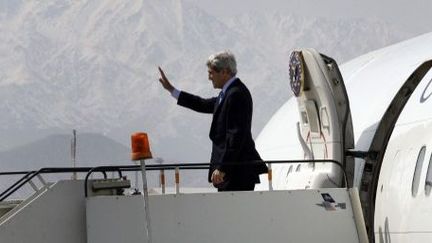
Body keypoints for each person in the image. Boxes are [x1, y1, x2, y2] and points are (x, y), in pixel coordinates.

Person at [158, 51, 267, 191]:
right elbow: (202, 104)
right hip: (229, 173)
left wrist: (223, 168)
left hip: (236, 173)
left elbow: (236, 135)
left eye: (211, 73)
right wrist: (172, 90)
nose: (209, 77)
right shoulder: (227, 94)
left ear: (225, 72)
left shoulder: (236, 94)